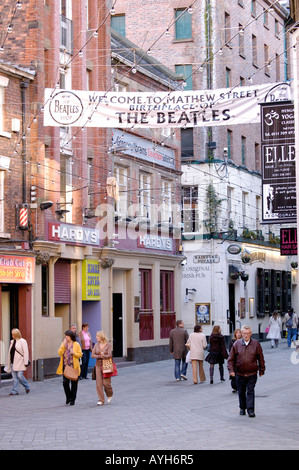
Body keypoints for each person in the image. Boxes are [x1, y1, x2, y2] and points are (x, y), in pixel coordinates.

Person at [228, 325, 265, 418]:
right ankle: (242, 408)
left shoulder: (256, 344)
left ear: (251, 334)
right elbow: (231, 359)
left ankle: (251, 410)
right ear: (241, 333)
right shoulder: (236, 344)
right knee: (241, 391)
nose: (246, 335)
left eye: (248, 333)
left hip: (252, 373)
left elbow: (260, 357)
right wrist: (231, 370)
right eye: (244, 333)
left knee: (250, 391)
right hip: (239, 373)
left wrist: (262, 369)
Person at [57, 330, 82, 405]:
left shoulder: (76, 344)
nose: (66, 337)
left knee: (74, 383)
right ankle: (68, 396)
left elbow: (80, 354)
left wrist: (74, 353)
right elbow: (59, 353)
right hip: (65, 366)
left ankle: (72, 399)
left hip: (74, 366)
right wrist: (63, 346)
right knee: (65, 383)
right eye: (65, 336)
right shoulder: (64, 344)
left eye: (67, 336)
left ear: (71, 337)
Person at [5, 329, 30, 396]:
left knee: (20, 376)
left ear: (16, 334)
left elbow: (26, 352)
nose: (12, 335)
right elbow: (10, 353)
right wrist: (9, 362)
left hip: (20, 362)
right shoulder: (12, 342)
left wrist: (26, 362)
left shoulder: (23, 341)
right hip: (13, 362)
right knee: (14, 378)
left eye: (13, 334)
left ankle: (27, 386)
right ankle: (14, 391)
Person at [91, 331, 113, 406]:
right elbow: (92, 355)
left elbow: (110, 355)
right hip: (98, 365)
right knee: (99, 383)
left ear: (101, 337)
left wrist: (105, 356)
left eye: (97, 336)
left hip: (106, 365)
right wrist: (100, 356)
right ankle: (101, 399)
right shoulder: (96, 345)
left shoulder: (108, 345)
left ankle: (109, 394)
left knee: (106, 383)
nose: (96, 337)